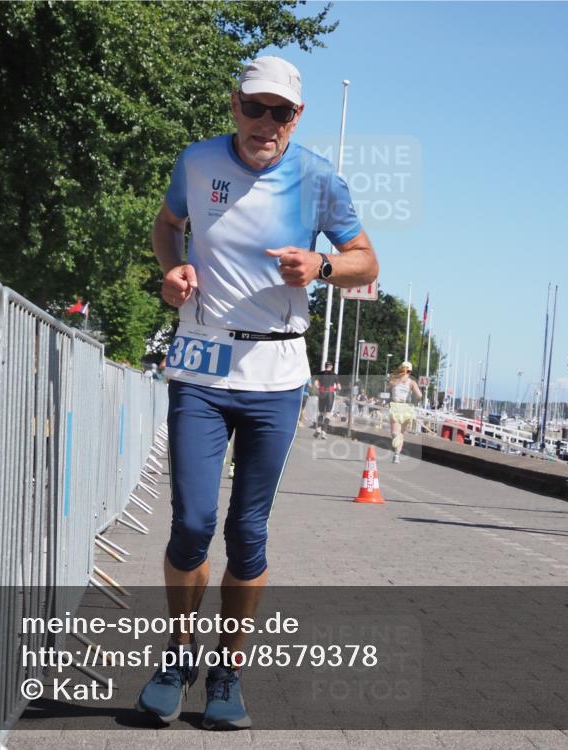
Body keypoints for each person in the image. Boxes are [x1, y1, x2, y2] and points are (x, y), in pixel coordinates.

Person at [137, 55, 378, 730]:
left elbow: (367, 258)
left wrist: (324, 264)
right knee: (190, 523)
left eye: (281, 112)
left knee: (247, 534)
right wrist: (173, 270)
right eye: (254, 107)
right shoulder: (197, 161)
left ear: (298, 118)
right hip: (202, 363)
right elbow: (166, 226)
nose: (265, 123)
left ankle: (227, 673)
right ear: (234, 103)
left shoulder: (320, 179)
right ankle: (176, 654)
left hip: (276, 375)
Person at [388, 361, 422, 463]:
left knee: (395, 433)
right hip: (406, 408)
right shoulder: (411, 382)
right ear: (410, 371)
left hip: (397, 406)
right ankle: (397, 455)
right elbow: (420, 396)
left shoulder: (395, 380)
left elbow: (388, 387)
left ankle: (396, 452)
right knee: (400, 433)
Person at [313, 362, 339, 439]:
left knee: (321, 413)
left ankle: (318, 429)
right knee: (328, 413)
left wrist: (319, 388)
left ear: (325, 366)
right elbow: (339, 387)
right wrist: (334, 389)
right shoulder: (334, 375)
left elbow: (315, 383)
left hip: (322, 393)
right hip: (330, 395)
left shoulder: (320, 373)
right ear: (331, 367)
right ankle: (324, 432)